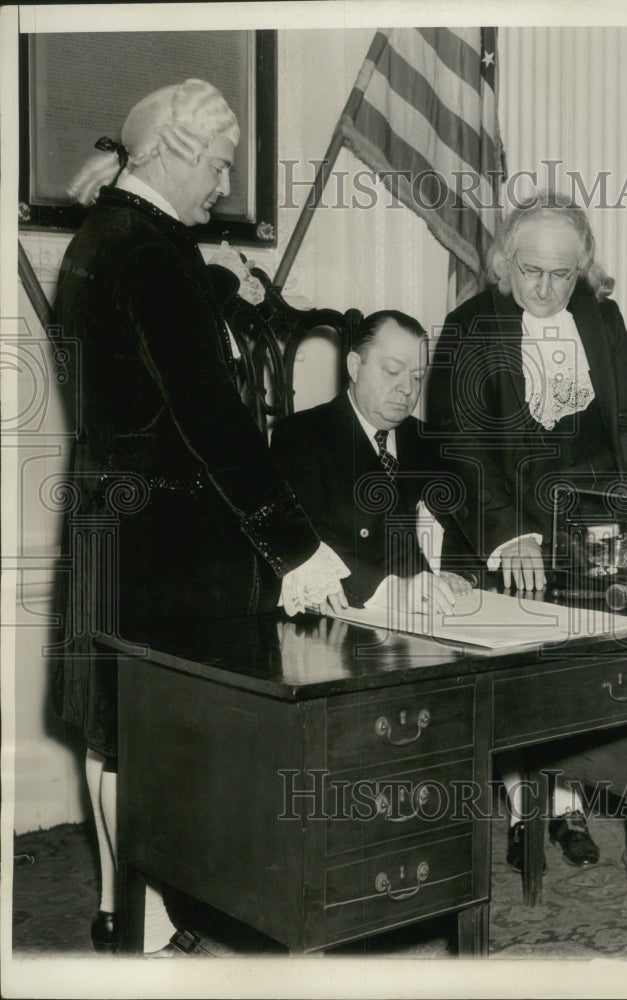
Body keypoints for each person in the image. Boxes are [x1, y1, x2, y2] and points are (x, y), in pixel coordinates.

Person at [51, 79, 349, 956]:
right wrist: (295, 545)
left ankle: (127, 920)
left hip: (120, 523)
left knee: (118, 738)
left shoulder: (115, 237)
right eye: (218, 164)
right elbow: (207, 417)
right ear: (176, 154)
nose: (224, 185)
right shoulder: (148, 252)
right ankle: (149, 940)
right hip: (165, 543)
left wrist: (223, 291)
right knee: (152, 743)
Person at [427, 191, 627, 872]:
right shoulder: (468, 325)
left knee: (583, 675)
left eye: (561, 275)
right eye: (531, 272)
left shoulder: (600, 316)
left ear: (580, 268)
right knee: (521, 680)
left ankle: (565, 804)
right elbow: (460, 444)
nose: (546, 289)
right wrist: (509, 537)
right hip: (498, 520)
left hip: (586, 524)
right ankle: (530, 808)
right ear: (504, 261)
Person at [271, 310, 474, 615]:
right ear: (354, 366)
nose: (408, 389)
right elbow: (310, 545)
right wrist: (394, 589)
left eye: (417, 377)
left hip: (434, 612)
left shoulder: (427, 441)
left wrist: (456, 572)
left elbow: (464, 526)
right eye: (393, 371)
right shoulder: (303, 436)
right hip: (347, 619)